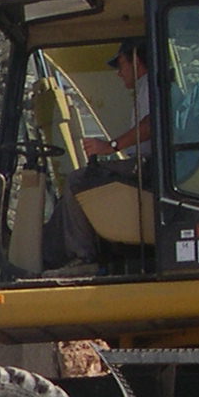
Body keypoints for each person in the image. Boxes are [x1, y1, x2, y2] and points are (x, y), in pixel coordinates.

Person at [53, 40, 153, 269]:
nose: (119, 74)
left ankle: (83, 256)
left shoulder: (150, 84)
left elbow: (149, 126)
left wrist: (110, 147)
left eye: (121, 65)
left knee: (77, 181)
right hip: (145, 165)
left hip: (147, 168)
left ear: (136, 60)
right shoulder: (147, 87)